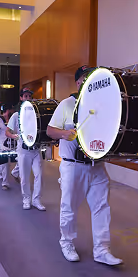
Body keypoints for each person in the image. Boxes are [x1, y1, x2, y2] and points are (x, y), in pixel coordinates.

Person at [46, 65, 123, 266]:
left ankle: (102, 249)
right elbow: (50, 130)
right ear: (79, 82)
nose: (89, 81)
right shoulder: (67, 104)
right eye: (86, 78)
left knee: (101, 207)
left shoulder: (101, 104)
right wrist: (64, 134)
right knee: (69, 206)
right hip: (73, 166)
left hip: (96, 164)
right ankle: (67, 241)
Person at [6, 88, 45, 211]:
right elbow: (8, 132)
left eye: (29, 96)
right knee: (24, 177)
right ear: (21, 98)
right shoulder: (16, 115)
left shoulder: (35, 114)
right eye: (25, 96)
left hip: (35, 150)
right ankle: (26, 199)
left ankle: (36, 200)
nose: (28, 98)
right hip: (23, 150)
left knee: (39, 175)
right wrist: (13, 136)